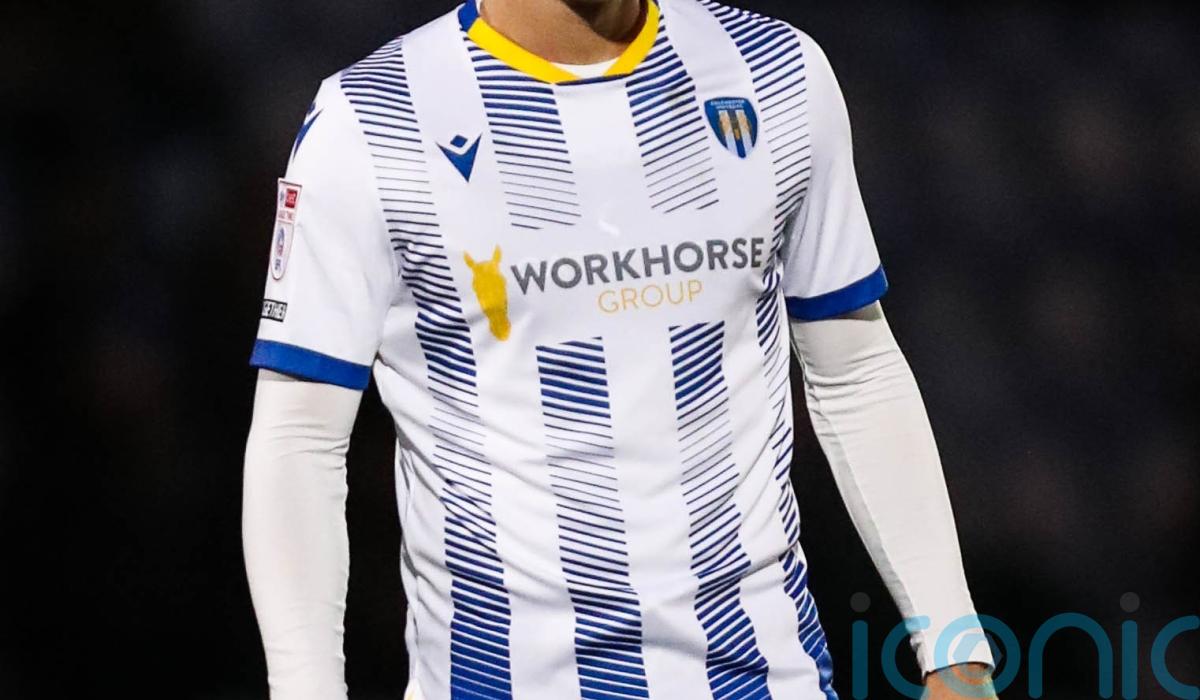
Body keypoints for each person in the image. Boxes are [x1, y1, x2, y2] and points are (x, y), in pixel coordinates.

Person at [242, 0, 998, 697]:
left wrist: (956, 651)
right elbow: (299, 439)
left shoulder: (775, 71)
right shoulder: (370, 118)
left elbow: (855, 369)